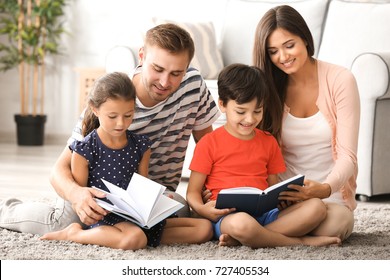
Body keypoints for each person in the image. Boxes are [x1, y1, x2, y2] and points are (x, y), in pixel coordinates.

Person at [0, 23, 220, 235]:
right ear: (142, 56)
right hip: (99, 193)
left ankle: (118, 233)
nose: (165, 82)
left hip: (151, 196)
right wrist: (77, 195)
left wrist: (208, 191)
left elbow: (208, 147)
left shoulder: (193, 85)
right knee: (62, 222)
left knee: (182, 210)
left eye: (176, 73)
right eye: (158, 69)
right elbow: (58, 170)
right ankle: (6, 210)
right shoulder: (113, 99)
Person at [40, 72, 212, 249]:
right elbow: (82, 199)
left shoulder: (141, 146)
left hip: (136, 216)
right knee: (134, 239)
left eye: (128, 115)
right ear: (95, 109)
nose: (121, 123)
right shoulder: (85, 149)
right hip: (105, 218)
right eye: (112, 117)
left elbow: (143, 186)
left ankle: (141, 236)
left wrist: (156, 199)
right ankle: (75, 234)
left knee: (204, 229)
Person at [187, 63, 341, 248]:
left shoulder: (268, 142)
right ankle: (299, 241)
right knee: (242, 223)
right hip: (227, 217)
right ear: (223, 105)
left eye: (257, 111)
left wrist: (281, 200)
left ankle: (250, 237)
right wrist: (203, 210)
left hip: (266, 216)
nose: (250, 119)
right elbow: (192, 192)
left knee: (317, 207)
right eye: (241, 112)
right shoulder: (208, 143)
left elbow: (272, 186)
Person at [252, 5, 360, 241]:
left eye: (289, 45)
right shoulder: (268, 86)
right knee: (305, 219)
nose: (283, 57)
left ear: (305, 39)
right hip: (283, 201)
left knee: (335, 224)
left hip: (329, 197)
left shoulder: (341, 80)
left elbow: (347, 156)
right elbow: (252, 147)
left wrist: (325, 188)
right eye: (273, 51)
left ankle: (254, 235)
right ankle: (298, 239)